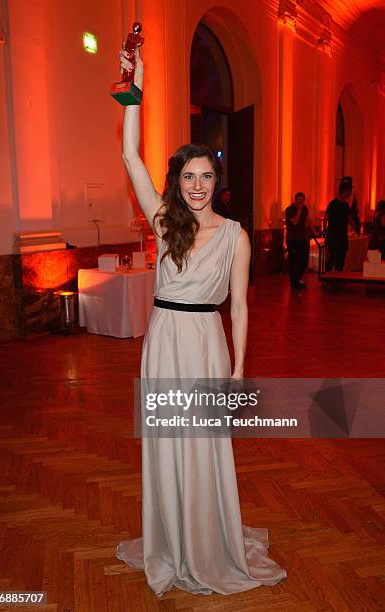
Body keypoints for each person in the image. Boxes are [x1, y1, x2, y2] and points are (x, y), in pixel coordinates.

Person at [115, 45, 286, 596]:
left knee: (205, 445)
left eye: (204, 177)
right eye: (187, 176)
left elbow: (238, 305)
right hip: (164, 342)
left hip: (207, 344)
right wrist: (133, 92)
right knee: (168, 441)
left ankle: (209, 542)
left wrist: (239, 371)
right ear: (179, 181)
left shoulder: (236, 236)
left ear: (216, 180)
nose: (196, 186)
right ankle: (171, 542)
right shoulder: (166, 222)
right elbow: (129, 157)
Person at [324, 178, 356, 271]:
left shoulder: (345, 205)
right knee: (332, 259)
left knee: (341, 260)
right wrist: (326, 231)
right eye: (349, 191)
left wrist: (355, 226)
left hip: (342, 237)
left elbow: (348, 217)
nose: (350, 193)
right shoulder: (333, 203)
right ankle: (328, 279)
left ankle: (338, 280)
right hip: (334, 237)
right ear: (345, 191)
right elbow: (326, 217)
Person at [285, 192, 315, 289]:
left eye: (302, 201)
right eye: (298, 201)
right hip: (292, 239)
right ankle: (294, 283)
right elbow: (294, 222)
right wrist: (299, 210)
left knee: (303, 260)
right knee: (294, 262)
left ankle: (297, 280)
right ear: (295, 200)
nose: (300, 203)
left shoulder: (304, 208)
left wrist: (314, 230)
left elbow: (308, 219)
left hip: (302, 239)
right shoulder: (289, 210)